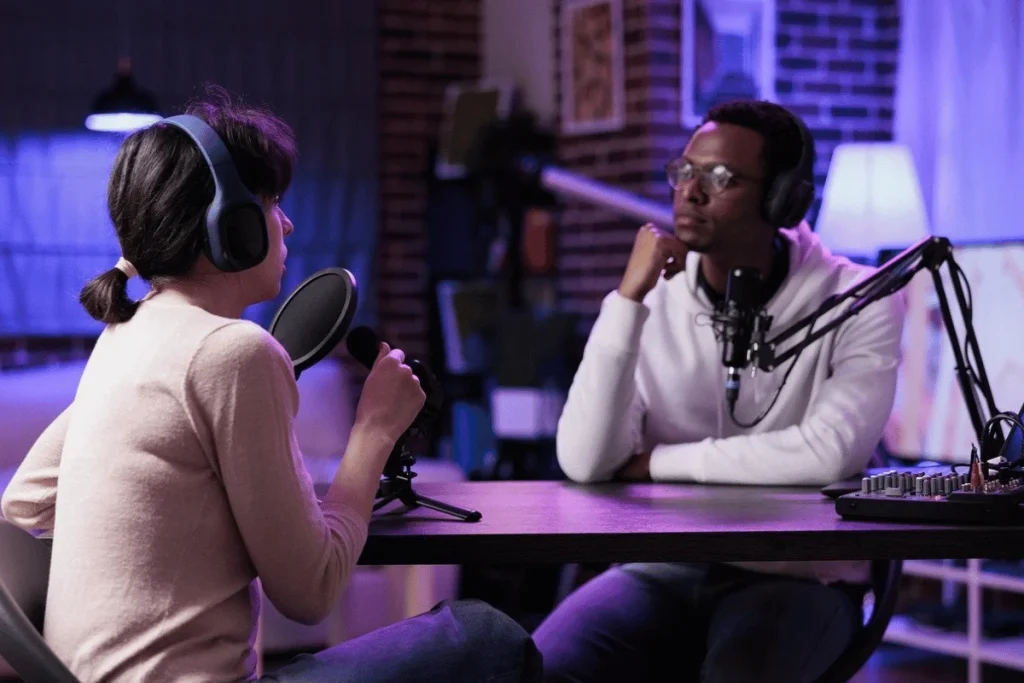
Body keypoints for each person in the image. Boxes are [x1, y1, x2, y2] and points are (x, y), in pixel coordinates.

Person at [0, 86, 541, 683]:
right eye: (271, 200)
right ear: (230, 225)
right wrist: (374, 428)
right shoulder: (235, 352)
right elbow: (310, 591)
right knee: (487, 636)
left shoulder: (126, 333)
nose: (286, 221)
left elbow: (19, 507)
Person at [532, 100, 905, 682]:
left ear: (783, 199)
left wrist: (657, 463)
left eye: (721, 178)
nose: (690, 192)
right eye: (683, 171)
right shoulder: (653, 300)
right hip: (664, 567)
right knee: (537, 669)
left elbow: (830, 451)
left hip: (800, 575)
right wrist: (627, 300)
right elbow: (584, 460)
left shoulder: (859, 299)